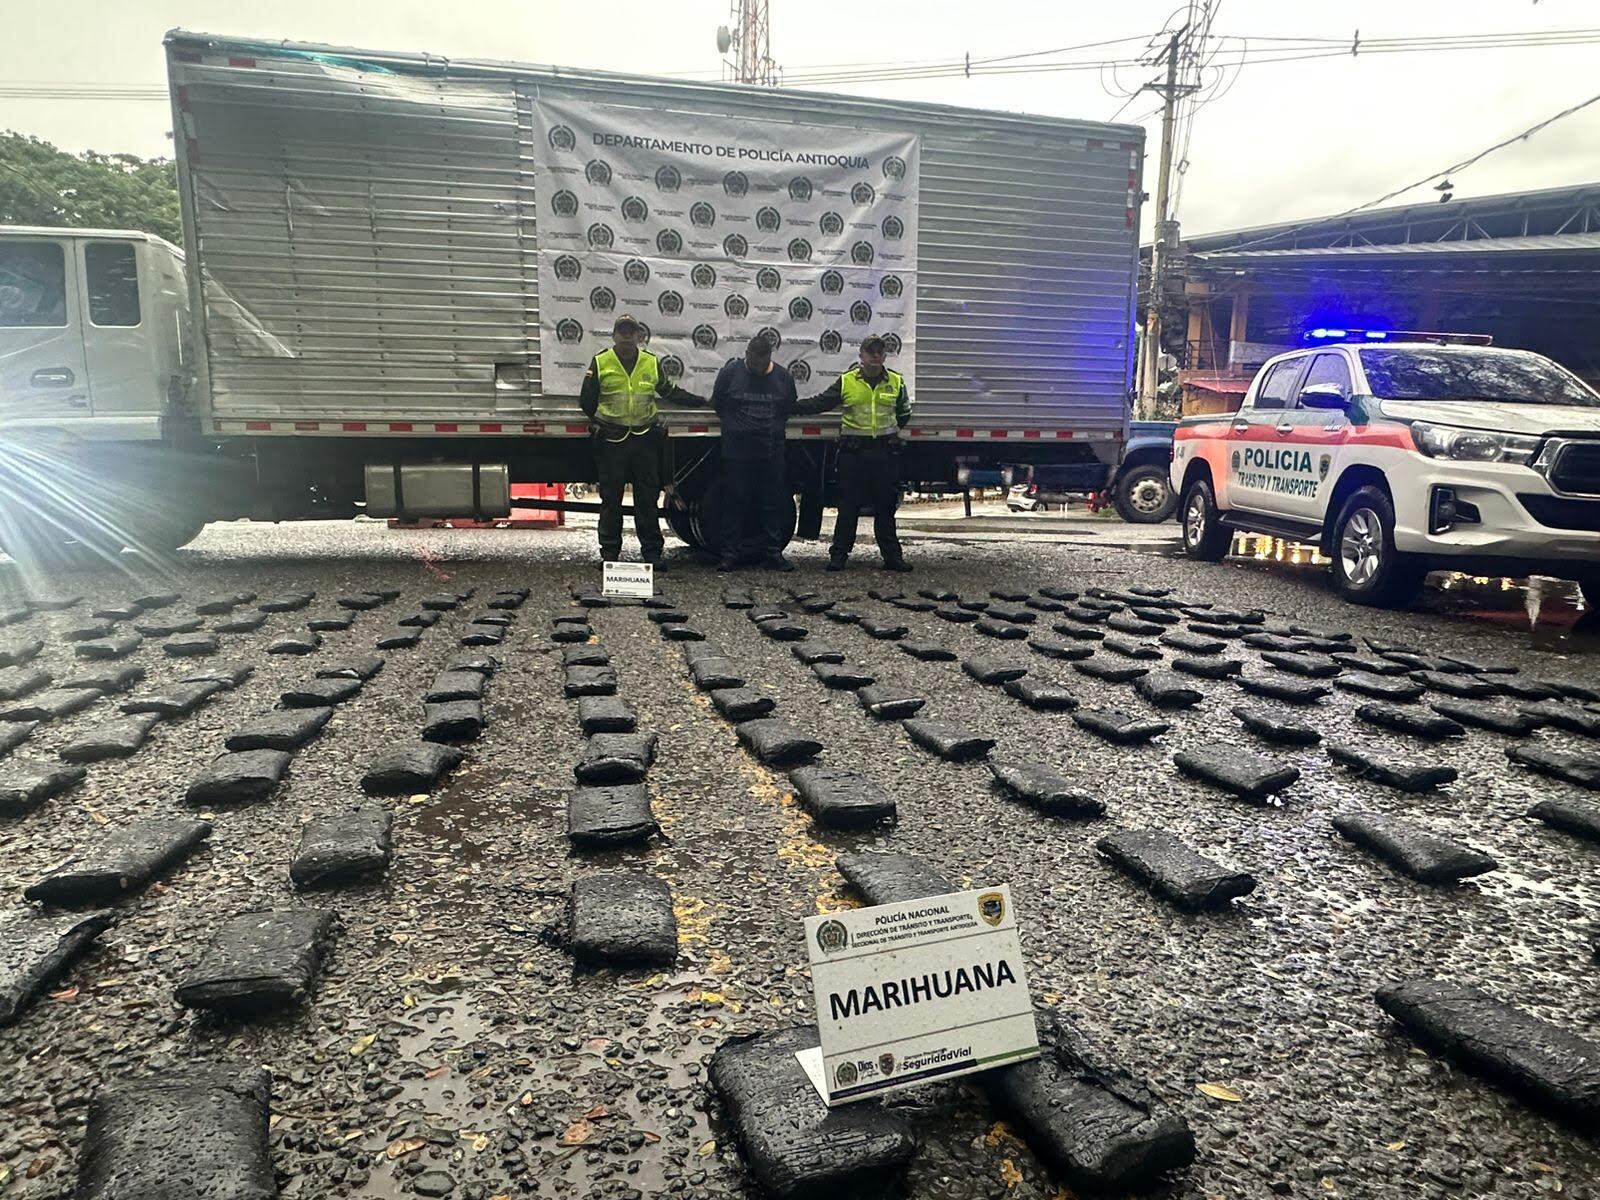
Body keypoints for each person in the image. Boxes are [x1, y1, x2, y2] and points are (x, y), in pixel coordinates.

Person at [579, 315, 704, 567]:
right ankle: (610, 554)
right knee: (610, 499)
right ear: (614, 335)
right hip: (612, 440)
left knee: (647, 499)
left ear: (638, 336)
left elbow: (669, 391)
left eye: (631, 332)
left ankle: (652, 554)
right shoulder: (601, 361)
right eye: (622, 331)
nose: (626, 336)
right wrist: (604, 424)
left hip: (644, 440)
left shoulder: (650, 361)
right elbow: (587, 401)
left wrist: (700, 401)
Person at [801, 334, 914, 572]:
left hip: (884, 454)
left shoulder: (896, 382)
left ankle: (892, 558)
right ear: (861, 355)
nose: (875, 356)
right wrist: (793, 407)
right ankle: (839, 557)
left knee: (885, 508)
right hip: (854, 454)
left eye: (879, 352)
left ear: (884, 356)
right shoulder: (847, 381)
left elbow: (904, 413)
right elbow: (821, 403)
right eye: (870, 352)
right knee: (848, 507)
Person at [709, 335, 820, 572]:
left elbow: (788, 408)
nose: (757, 367)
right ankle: (730, 554)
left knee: (772, 503)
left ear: (769, 357)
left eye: (762, 362)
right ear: (746, 354)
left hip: (771, 452)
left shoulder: (783, 378)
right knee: (734, 503)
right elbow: (718, 404)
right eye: (753, 361)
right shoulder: (731, 373)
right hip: (737, 453)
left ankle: (773, 553)